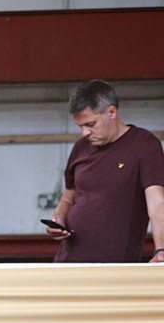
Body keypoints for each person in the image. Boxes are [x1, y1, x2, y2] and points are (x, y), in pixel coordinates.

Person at [47, 80, 164, 264]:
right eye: (81, 126)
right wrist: (59, 217)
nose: (85, 132)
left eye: (91, 124)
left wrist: (161, 249)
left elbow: (157, 202)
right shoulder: (80, 147)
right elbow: (69, 196)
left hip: (114, 264)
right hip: (67, 261)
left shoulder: (144, 145)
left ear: (111, 112)